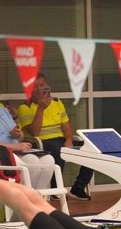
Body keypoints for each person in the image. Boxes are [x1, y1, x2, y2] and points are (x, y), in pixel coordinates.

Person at [18, 73, 93, 201]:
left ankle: (78, 188)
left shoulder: (57, 102)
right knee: (58, 149)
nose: (39, 89)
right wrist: (41, 108)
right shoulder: (24, 107)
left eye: (42, 85)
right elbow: (35, 132)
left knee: (90, 149)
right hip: (42, 141)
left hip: (61, 139)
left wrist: (69, 139)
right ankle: (55, 188)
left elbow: (66, 125)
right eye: (35, 86)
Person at [0, 79, 54, 190]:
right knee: (32, 161)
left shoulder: (2, 110)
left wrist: (18, 134)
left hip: (15, 151)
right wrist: (15, 146)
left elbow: (20, 136)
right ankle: (23, 201)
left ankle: (38, 198)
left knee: (48, 160)